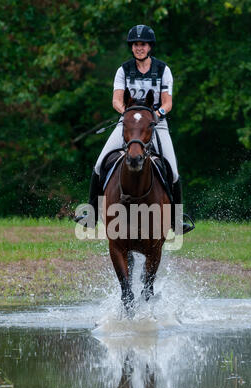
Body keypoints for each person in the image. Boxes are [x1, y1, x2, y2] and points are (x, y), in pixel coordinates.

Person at [77, 24, 194, 234]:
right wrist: (128, 115)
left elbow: (167, 103)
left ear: (150, 47)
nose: (139, 48)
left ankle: (177, 220)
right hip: (128, 124)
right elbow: (116, 100)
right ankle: (92, 213)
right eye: (136, 44)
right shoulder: (123, 70)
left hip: (156, 124)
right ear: (132, 47)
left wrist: (154, 116)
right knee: (98, 165)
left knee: (173, 172)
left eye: (143, 44)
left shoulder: (163, 70)